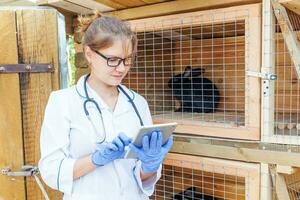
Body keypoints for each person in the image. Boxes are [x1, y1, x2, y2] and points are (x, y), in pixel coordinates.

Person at [38, 12, 173, 200]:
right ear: (89, 54)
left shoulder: (138, 103)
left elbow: (140, 178)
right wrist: (95, 160)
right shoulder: (63, 102)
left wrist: (150, 166)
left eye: (127, 60)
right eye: (112, 59)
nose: (121, 68)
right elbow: (51, 171)